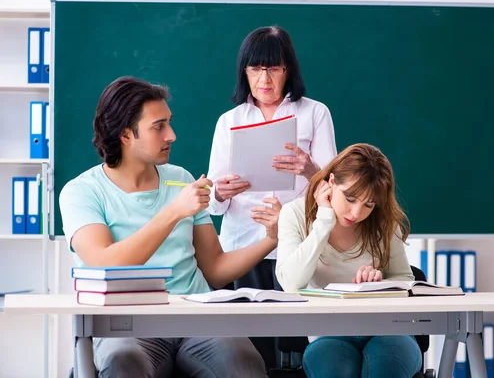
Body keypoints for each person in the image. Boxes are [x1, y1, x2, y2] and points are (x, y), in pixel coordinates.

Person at [59, 76, 273, 378]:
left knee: (243, 363)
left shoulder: (181, 179)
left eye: (169, 123)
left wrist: (272, 238)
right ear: (125, 135)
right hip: (126, 325)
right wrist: (174, 212)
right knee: (124, 362)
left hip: (194, 318)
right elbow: (105, 265)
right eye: (158, 126)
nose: (171, 135)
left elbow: (215, 268)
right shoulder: (81, 191)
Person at [207, 25, 337, 369]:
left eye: (273, 68)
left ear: (287, 70)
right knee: (249, 350)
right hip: (241, 247)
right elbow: (214, 203)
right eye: (255, 69)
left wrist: (311, 170)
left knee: (299, 347)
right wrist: (220, 192)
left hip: (296, 245)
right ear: (244, 72)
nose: (264, 79)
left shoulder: (315, 113)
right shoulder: (229, 121)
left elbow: (333, 193)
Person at [275, 143, 423, 378]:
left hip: (388, 329)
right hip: (327, 332)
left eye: (368, 204)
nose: (356, 213)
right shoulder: (294, 214)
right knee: (336, 369)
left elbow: (404, 279)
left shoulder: (383, 221)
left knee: (384, 369)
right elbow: (292, 284)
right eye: (350, 198)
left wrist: (380, 284)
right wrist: (324, 220)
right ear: (331, 182)